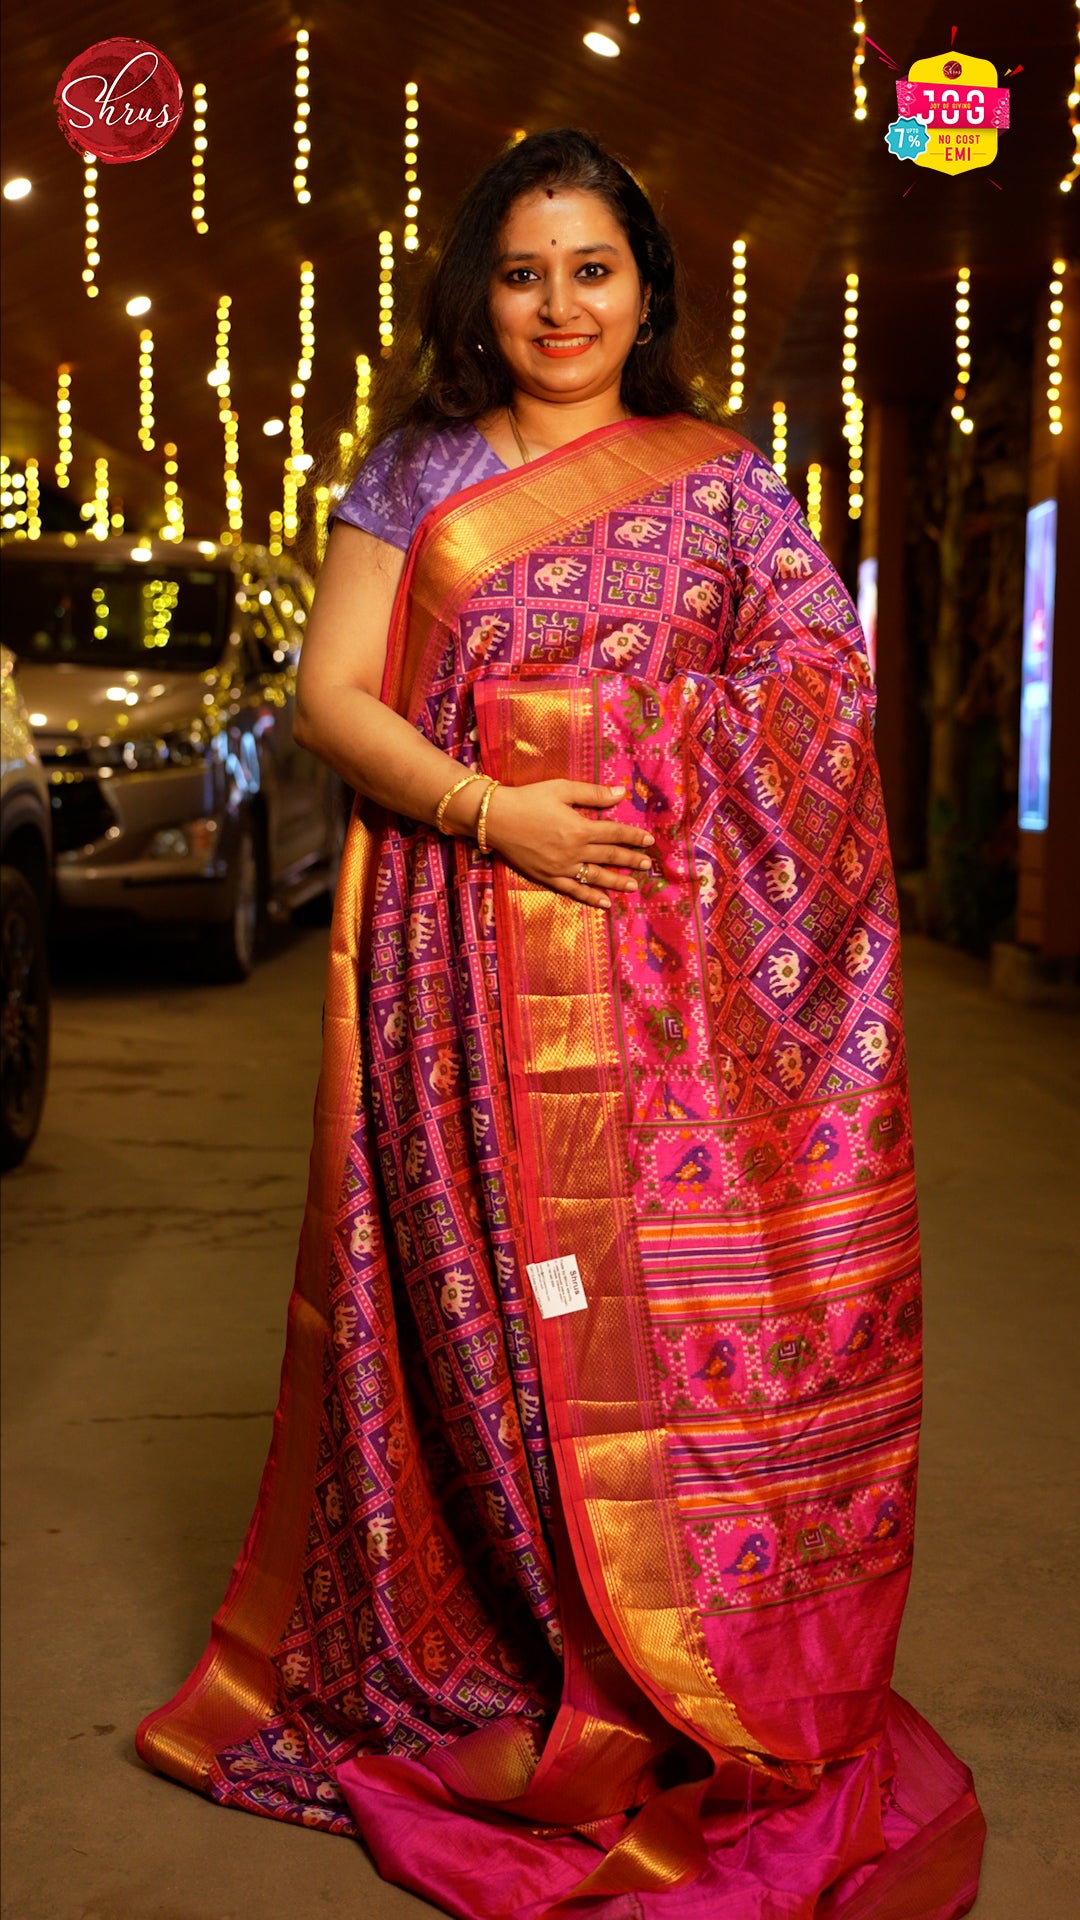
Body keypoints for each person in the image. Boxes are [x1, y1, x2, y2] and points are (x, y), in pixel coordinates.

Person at [137, 129, 985, 1919]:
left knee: (653, 1334)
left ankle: (662, 1655)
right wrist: (490, 805)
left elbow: (817, 704)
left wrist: (635, 767)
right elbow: (331, 701)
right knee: (488, 1310)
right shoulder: (417, 474)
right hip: (457, 960)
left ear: (648, 292)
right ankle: (515, 1648)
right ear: (478, 294)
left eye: (592, 268)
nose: (558, 305)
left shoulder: (728, 488)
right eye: (522, 271)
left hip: (676, 1003)